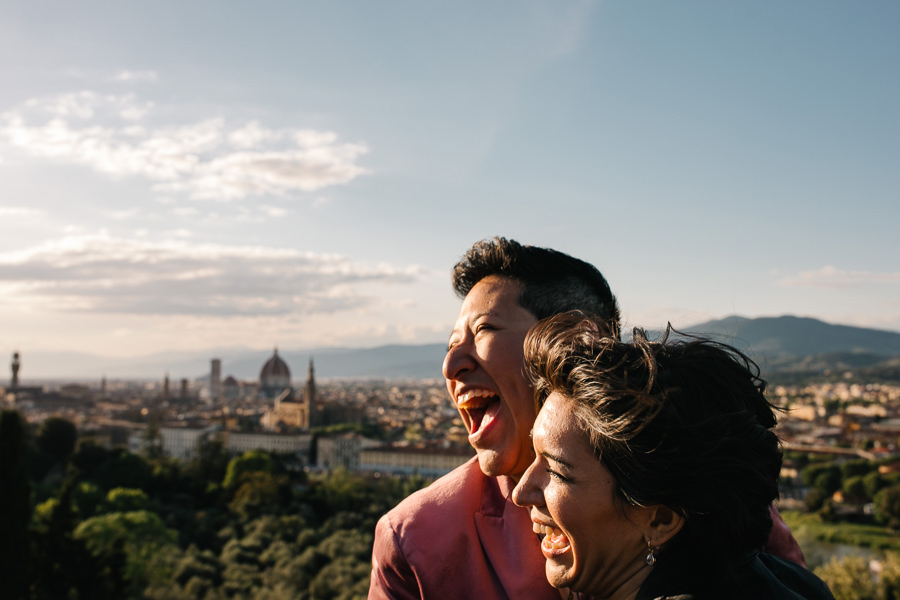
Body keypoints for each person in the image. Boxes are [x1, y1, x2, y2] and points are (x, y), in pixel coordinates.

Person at [368, 237, 804, 600]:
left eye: (484, 330)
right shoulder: (415, 540)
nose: (451, 365)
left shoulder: (705, 480)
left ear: (579, 338)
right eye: (450, 344)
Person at [512, 312, 833, 600]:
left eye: (556, 472)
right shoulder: (800, 584)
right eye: (533, 456)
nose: (520, 492)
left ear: (660, 519)